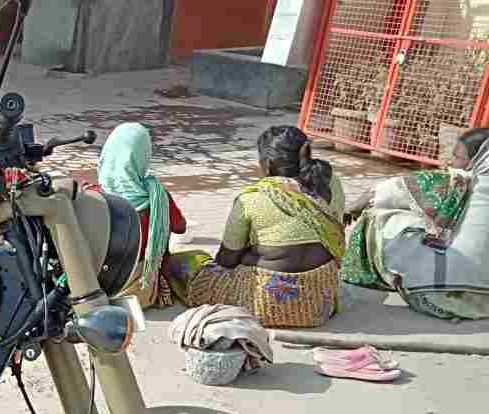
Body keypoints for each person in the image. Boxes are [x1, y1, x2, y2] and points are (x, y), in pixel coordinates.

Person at [165, 125, 345, 328]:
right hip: (319, 304)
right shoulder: (330, 184)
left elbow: (226, 260)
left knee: (185, 262)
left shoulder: (252, 198)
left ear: (267, 163)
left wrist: (249, 255)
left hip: (263, 304)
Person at [341, 127, 489, 321]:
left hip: (440, 298)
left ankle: (369, 277)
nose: (450, 162)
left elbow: (391, 191)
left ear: (478, 159)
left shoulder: (459, 180)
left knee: (378, 217)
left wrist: (354, 206)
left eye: (458, 157)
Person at [85, 122, 188, 308]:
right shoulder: (156, 196)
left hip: (93, 288)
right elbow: (180, 227)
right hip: (139, 291)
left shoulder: (91, 196)